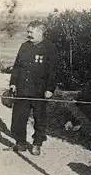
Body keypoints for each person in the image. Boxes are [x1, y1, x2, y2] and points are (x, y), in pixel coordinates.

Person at [8, 20, 58, 156]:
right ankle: (21, 142)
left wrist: (50, 89)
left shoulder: (50, 48)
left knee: (39, 118)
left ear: (40, 32)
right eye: (28, 31)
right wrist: (13, 82)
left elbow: (53, 71)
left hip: (40, 91)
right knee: (19, 117)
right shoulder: (24, 46)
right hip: (22, 89)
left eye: (31, 32)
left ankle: (37, 143)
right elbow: (17, 66)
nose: (28, 34)